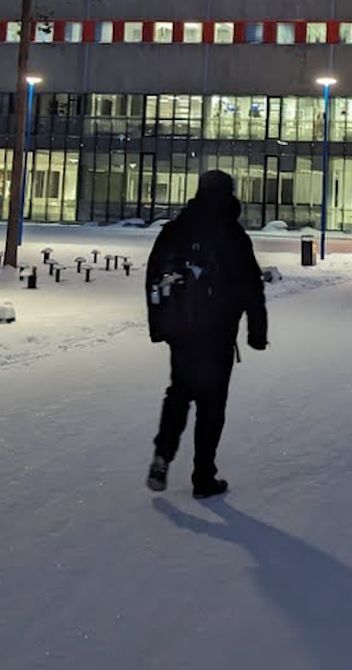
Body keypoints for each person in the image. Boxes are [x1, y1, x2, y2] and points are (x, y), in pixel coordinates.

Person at [144, 169, 268, 499]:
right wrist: (257, 332)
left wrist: (158, 326)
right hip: (217, 334)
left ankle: (162, 455)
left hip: (180, 331)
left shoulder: (176, 229)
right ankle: (203, 476)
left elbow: (154, 275)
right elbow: (251, 287)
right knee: (211, 405)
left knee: (179, 393)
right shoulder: (232, 234)